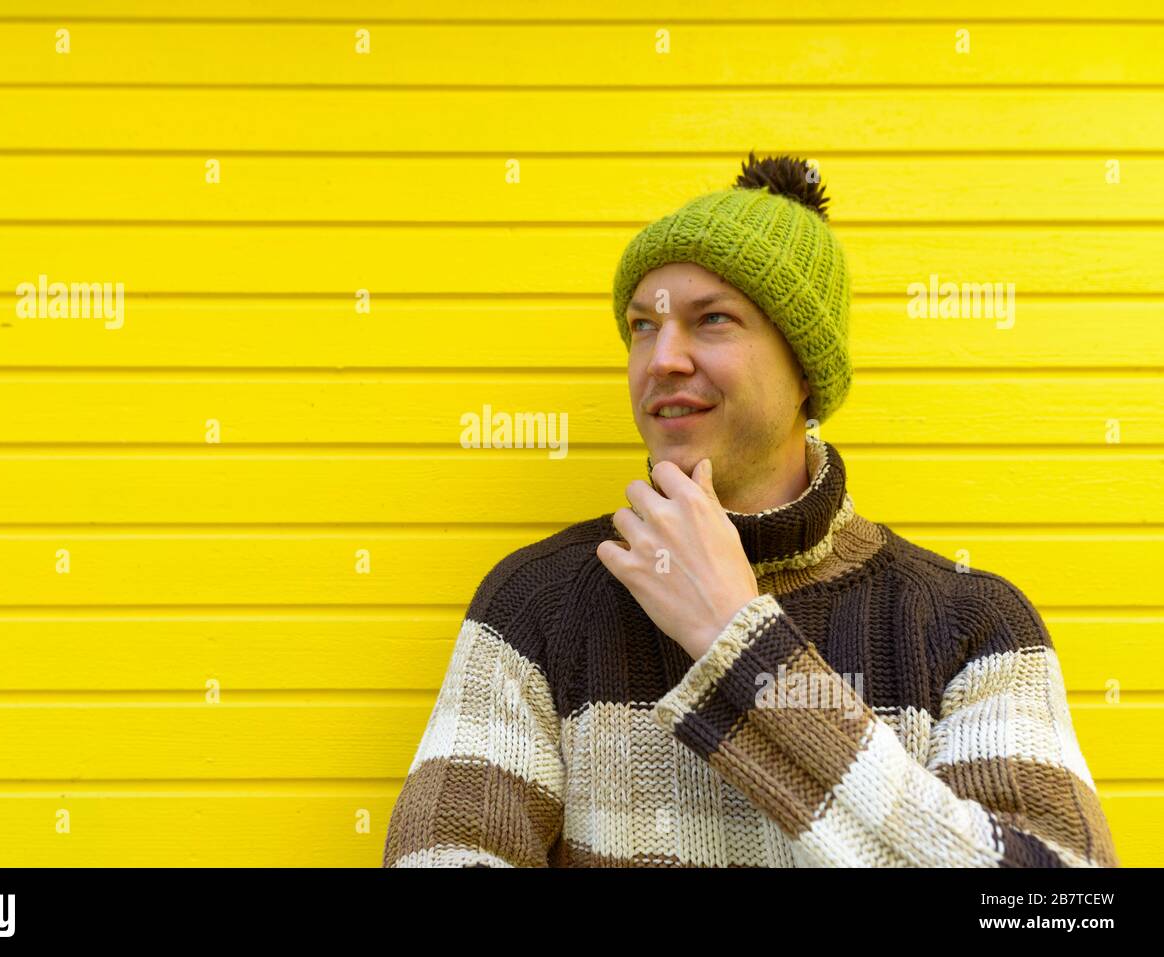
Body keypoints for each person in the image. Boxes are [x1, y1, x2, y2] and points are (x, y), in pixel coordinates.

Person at [381, 153, 1120, 867]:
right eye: (643, 325)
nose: (661, 357)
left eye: (712, 320)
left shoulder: (972, 626)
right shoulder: (537, 605)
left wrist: (741, 647)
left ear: (804, 367)